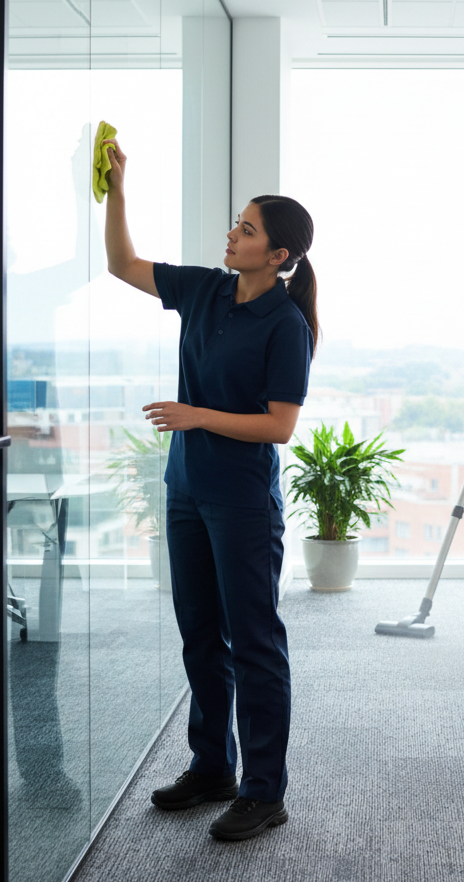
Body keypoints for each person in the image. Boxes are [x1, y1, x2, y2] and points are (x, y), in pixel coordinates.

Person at [102, 137, 317, 841]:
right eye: (238, 222)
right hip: (187, 488)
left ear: (277, 255)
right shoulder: (204, 288)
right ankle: (211, 767)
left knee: (253, 640)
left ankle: (264, 790)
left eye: (248, 229)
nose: (233, 233)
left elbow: (279, 426)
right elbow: (122, 264)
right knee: (199, 634)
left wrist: (196, 416)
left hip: (242, 502)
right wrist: (119, 191)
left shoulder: (285, 325)